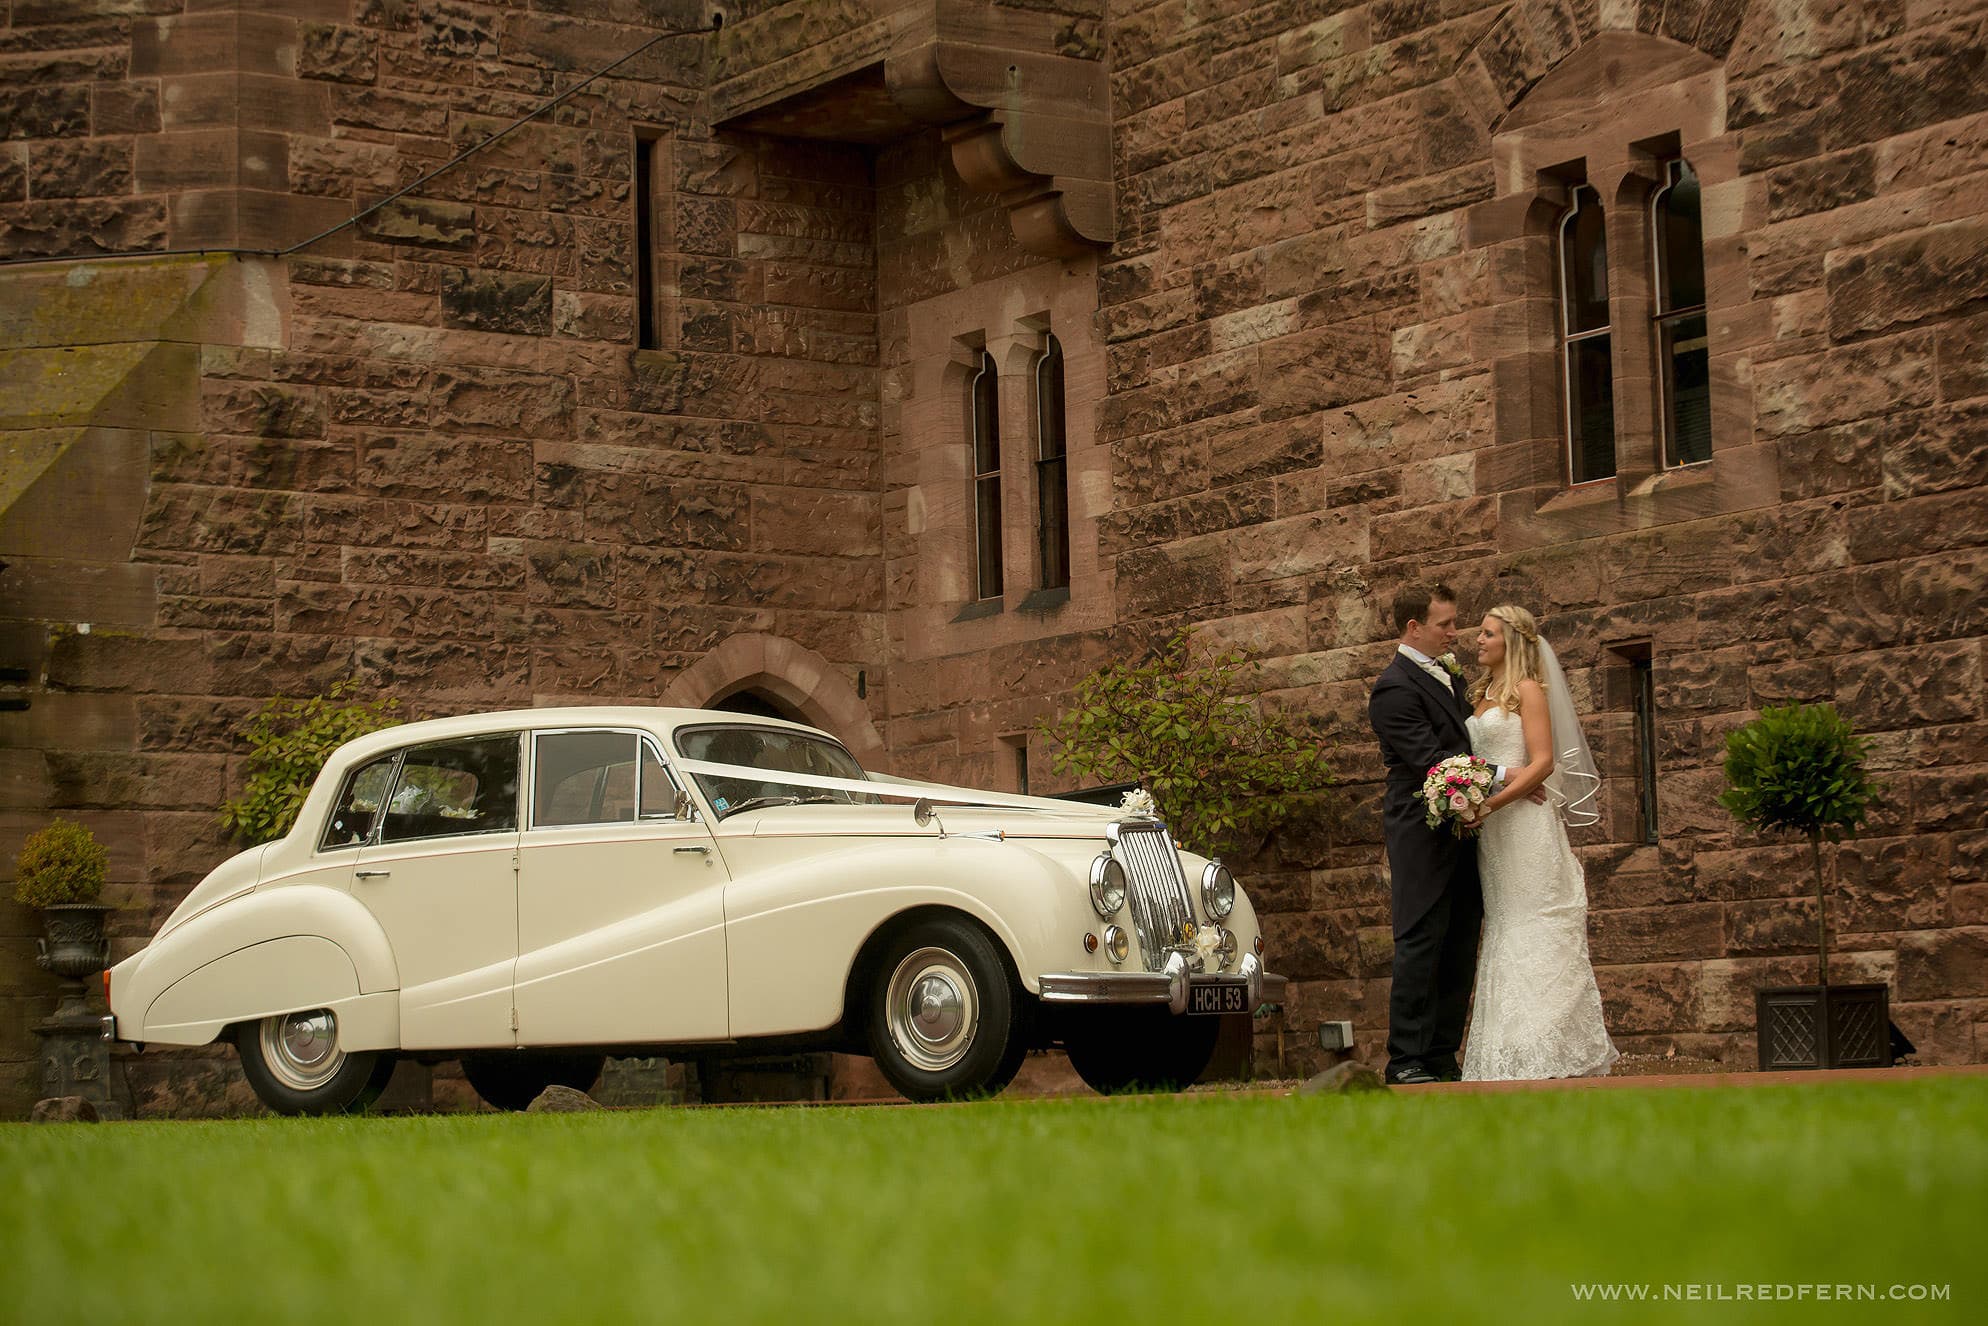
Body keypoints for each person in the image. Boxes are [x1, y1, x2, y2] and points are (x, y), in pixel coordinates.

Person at [1460, 605, 1619, 1081]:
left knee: (1536, 923)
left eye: (1487, 634)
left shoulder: (1528, 690)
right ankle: (1503, 1054)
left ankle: (1547, 1049)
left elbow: (1544, 761)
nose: (1478, 640)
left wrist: (1490, 804)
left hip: (1524, 825)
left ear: (1511, 640)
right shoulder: (1481, 695)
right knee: (1506, 926)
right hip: (1494, 832)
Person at [1368, 583, 1483, 1085]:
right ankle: (1406, 1058)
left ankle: (1441, 1053)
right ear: (1413, 628)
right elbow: (1431, 761)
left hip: (1465, 825)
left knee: (1460, 939)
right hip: (1421, 829)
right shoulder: (1393, 687)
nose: (1454, 633)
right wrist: (1507, 781)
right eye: (1445, 624)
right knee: (1420, 939)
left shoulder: (1449, 676)